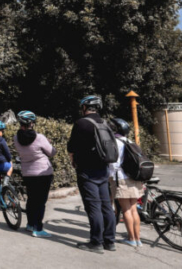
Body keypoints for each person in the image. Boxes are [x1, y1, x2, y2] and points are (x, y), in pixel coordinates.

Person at [67, 95, 117, 253]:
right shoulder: (104, 123)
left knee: (93, 206)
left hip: (87, 171)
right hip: (103, 169)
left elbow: (71, 146)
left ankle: (96, 242)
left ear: (84, 108)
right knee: (106, 206)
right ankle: (110, 241)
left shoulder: (81, 123)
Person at [13, 110, 57, 238]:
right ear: (31, 123)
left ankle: (30, 224)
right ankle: (38, 229)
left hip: (27, 173)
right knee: (40, 201)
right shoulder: (40, 137)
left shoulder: (16, 138)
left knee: (31, 199)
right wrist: (48, 143)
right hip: (43, 173)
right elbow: (52, 152)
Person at [109, 118, 144, 248]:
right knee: (134, 209)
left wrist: (109, 176)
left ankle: (131, 238)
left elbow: (114, 164)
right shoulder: (129, 141)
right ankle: (138, 239)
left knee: (126, 210)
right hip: (134, 178)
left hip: (121, 179)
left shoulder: (115, 143)